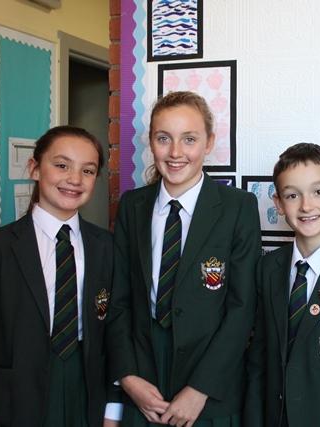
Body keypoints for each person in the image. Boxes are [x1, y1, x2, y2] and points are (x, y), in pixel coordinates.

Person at [107, 91, 262, 427]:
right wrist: (128, 377)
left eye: (189, 139)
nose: (176, 153)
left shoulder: (238, 208)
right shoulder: (132, 207)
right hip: (144, 381)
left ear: (209, 143)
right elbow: (118, 300)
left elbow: (242, 307)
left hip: (209, 382)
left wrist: (200, 389)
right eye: (164, 139)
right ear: (151, 141)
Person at [0, 126, 119, 426]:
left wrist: (113, 408)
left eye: (87, 170)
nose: (74, 179)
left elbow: (114, 335)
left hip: (85, 390)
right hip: (18, 397)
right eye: (61, 165)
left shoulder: (105, 246)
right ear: (34, 168)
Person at [244, 143, 320, 426]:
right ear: (278, 204)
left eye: (319, 192)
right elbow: (258, 360)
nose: (306, 206)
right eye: (292, 195)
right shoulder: (267, 269)